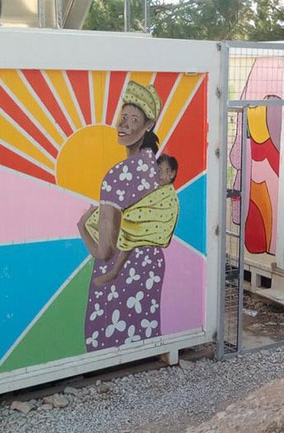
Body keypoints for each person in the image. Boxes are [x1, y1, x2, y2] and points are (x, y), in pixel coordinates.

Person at [77, 81, 176, 351]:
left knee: (109, 337)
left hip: (118, 274)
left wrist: (83, 227)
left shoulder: (116, 176)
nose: (123, 124)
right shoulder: (160, 171)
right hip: (150, 267)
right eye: (123, 116)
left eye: (133, 119)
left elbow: (105, 251)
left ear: (148, 125)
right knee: (143, 329)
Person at [89, 154, 180, 287]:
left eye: (166, 171)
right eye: (159, 170)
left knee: (127, 227)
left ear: (172, 174)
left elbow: (160, 210)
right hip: (141, 221)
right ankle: (113, 270)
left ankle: (113, 270)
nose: (161, 174)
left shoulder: (168, 194)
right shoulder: (155, 186)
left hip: (152, 224)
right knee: (125, 230)